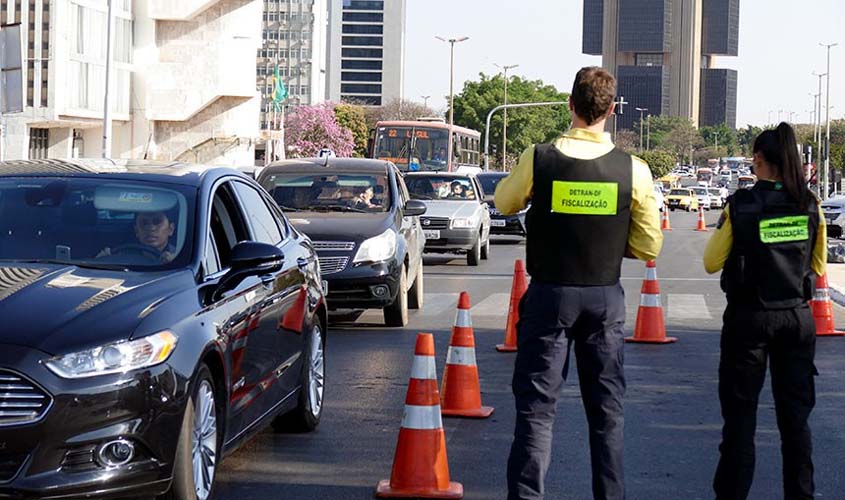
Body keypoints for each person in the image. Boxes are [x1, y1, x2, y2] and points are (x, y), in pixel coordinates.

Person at [495, 67, 663, 500]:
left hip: (550, 295)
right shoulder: (633, 170)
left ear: (570, 105)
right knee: (607, 414)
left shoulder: (540, 158)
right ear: (612, 109)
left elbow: (504, 202)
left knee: (536, 412)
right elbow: (649, 245)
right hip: (604, 297)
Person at [703, 123, 826, 500]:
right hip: (796, 319)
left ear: (757, 159)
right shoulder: (810, 204)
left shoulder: (740, 204)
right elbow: (818, 264)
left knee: (740, 422)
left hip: (748, 320)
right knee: (795, 422)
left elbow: (711, 262)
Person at [98, 211, 177, 263]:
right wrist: (102, 260)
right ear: (136, 231)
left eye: (157, 222)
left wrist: (174, 264)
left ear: (171, 229)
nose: (151, 228)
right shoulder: (119, 256)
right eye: (144, 223)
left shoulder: (179, 257)